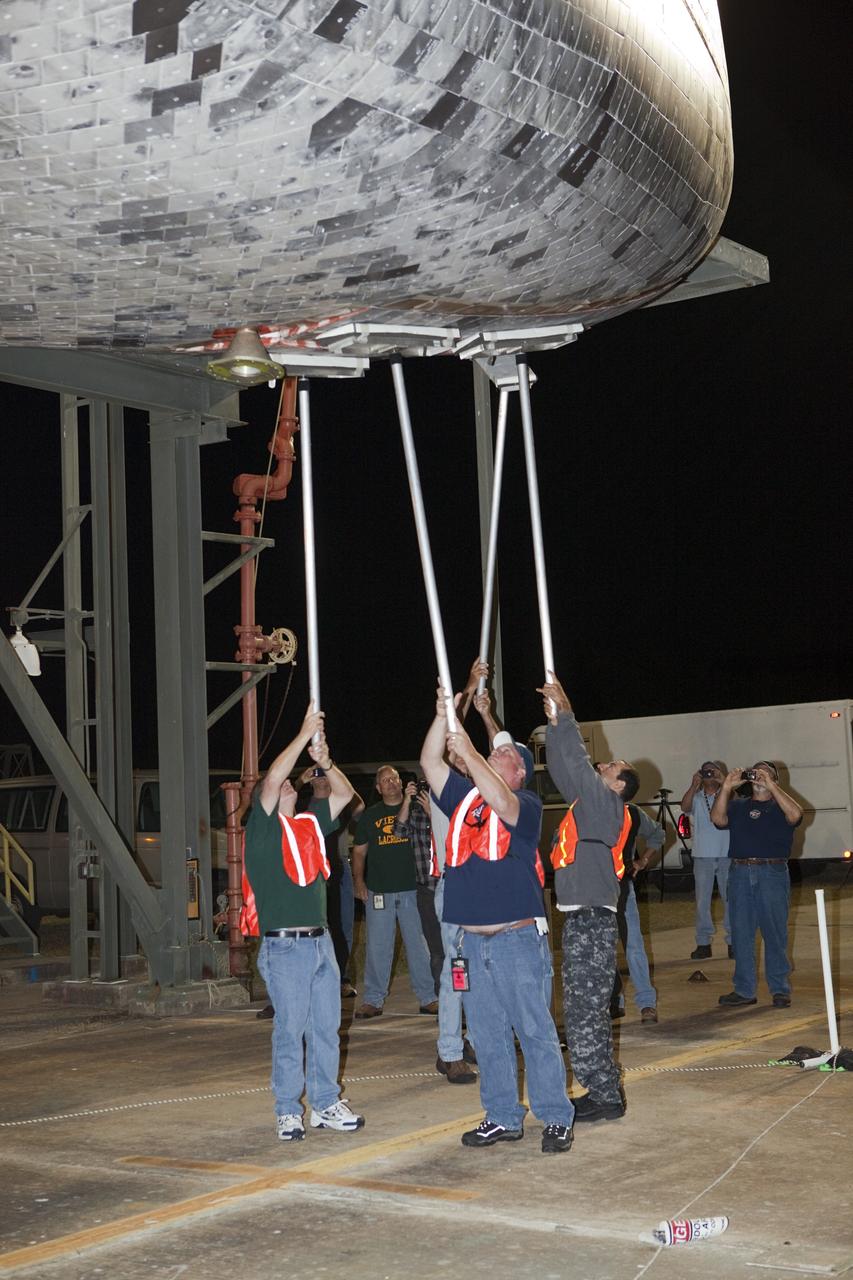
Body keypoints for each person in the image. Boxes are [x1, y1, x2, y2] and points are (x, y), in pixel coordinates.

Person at [421, 682, 575, 1155]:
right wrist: (444, 712)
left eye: (502, 754)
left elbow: (502, 803)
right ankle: (503, 1116)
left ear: (519, 770)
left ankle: (555, 1117)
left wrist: (468, 748)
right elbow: (430, 763)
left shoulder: (525, 804)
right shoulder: (464, 800)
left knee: (533, 1029)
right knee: (487, 1034)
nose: (494, 754)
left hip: (515, 939)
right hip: (470, 942)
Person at [242, 706, 365, 1142]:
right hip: (285, 947)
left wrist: (327, 761)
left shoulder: (309, 826)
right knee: (290, 1030)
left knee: (327, 1027)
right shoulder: (261, 829)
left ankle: (326, 1102)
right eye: (285, 789)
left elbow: (345, 795)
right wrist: (302, 732)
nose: (292, 787)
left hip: (320, 943)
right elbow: (274, 779)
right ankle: (287, 1109)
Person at [539, 671, 640, 1125]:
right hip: (585, 918)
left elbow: (578, 767)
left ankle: (604, 1095)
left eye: (612, 767)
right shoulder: (594, 804)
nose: (605, 766)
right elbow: (565, 770)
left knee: (585, 1011)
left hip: (592, 919)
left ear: (619, 785)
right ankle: (602, 1090)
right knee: (583, 1008)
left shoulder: (608, 805)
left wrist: (567, 715)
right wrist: (555, 726)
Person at [711, 761, 803, 1008]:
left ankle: (780, 989)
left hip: (771, 872)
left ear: (775, 779)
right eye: (756, 772)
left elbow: (795, 815)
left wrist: (771, 786)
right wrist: (727, 787)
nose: (758, 776)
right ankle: (744, 990)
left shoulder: (780, 805)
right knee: (741, 933)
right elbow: (718, 819)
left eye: (766, 773)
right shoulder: (739, 805)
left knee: (775, 932)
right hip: (740, 872)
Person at [351, 765, 438, 1019]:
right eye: (385, 780)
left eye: (394, 778)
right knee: (378, 946)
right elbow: (359, 852)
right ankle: (373, 1000)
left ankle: (428, 997)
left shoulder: (418, 807)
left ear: (402, 782)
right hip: (380, 891)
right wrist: (359, 881)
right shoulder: (370, 815)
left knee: (419, 946)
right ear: (378, 788)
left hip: (414, 889)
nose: (390, 783)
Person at [301, 766, 365, 997]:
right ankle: (310, 980)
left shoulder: (340, 805)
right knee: (313, 927)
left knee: (341, 926)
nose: (321, 780)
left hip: (338, 869)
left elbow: (359, 806)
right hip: (310, 871)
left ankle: (341, 978)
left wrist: (334, 772)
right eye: (316, 777)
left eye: (325, 777)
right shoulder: (301, 807)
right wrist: (300, 779)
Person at [392, 780, 444, 996]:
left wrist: (434, 814)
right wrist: (407, 800)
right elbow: (398, 831)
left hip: (451, 889)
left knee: (458, 949)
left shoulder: (447, 810)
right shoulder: (415, 814)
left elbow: (453, 837)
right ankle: (445, 1003)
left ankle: (467, 1001)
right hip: (427, 890)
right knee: (437, 951)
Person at [611, 807, 663, 1024]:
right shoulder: (583, 806)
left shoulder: (630, 812)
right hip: (593, 889)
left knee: (633, 945)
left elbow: (658, 834)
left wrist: (643, 861)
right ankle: (614, 1000)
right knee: (602, 947)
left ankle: (646, 1002)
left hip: (623, 887)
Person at [680, 761, 732, 960]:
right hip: (702, 855)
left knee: (730, 899)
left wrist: (723, 781)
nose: (709, 774)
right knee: (702, 901)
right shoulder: (697, 796)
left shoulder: (728, 794)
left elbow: (736, 802)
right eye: (706, 771)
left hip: (727, 853)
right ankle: (703, 943)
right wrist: (694, 785)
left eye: (713, 770)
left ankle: (733, 942)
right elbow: (684, 807)